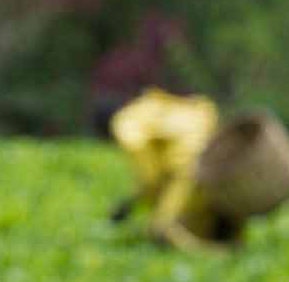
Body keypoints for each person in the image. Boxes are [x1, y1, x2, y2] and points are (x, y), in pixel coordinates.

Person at [99, 88, 242, 251]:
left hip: (188, 170)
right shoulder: (150, 106)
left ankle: (216, 254)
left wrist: (139, 202)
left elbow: (151, 178)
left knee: (160, 230)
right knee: (206, 216)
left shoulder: (124, 124)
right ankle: (230, 243)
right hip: (214, 159)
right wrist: (131, 202)